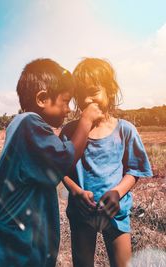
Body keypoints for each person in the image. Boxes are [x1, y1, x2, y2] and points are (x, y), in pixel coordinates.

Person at [0, 58, 104, 267]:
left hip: (22, 245)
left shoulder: (28, 127)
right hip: (11, 250)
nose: (67, 110)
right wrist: (86, 122)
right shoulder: (28, 123)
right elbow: (63, 161)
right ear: (42, 98)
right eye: (65, 101)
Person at [60, 58, 153, 267]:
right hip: (81, 212)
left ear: (110, 91)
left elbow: (134, 170)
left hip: (115, 212)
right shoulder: (70, 132)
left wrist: (117, 192)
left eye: (93, 92)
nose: (86, 100)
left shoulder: (125, 129)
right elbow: (60, 168)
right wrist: (75, 191)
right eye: (80, 94)